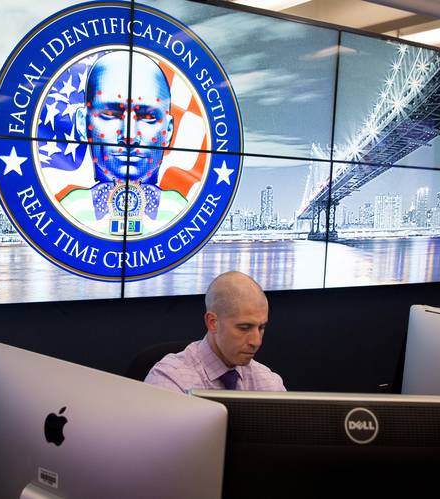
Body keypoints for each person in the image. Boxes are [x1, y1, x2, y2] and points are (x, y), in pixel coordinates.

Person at [64, 50, 186, 236]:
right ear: (82, 123)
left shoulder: (181, 211)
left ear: (168, 130)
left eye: (147, 116)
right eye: (111, 114)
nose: (129, 135)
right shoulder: (68, 210)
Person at [145, 271, 286, 393]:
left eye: (261, 328)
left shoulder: (269, 383)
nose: (256, 341)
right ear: (212, 322)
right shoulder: (170, 380)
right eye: (244, 328)